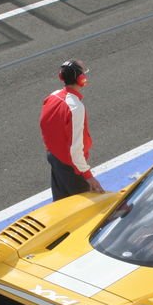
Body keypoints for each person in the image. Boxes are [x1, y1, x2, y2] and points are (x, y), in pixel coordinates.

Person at [39, 59, 105, 201]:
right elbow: (75, 149)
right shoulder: (75, 107)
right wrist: (88, 176)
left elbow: (44, 124)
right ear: (81, 79)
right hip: (72, 167)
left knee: (62, 204)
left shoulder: (53, 96)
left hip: (54, 158)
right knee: (91, 207)